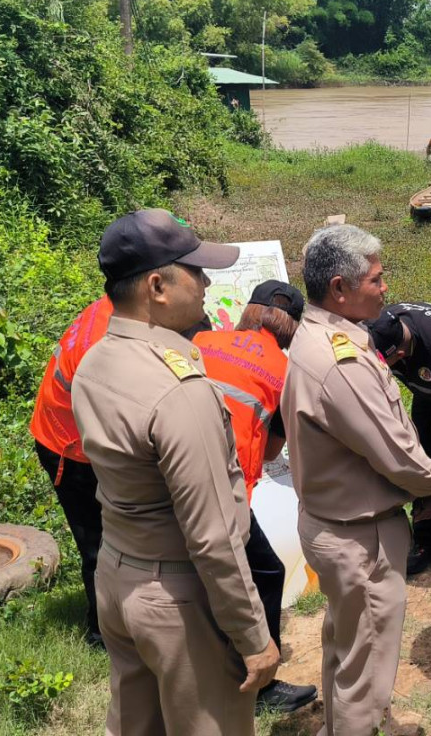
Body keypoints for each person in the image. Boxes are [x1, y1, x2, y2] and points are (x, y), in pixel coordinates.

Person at [70, 209, 279, 733]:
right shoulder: (179, 391)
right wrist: (254, 636)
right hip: (178, 598)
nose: (207, 283)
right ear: (157, 286)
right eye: (196, 271)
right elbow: (213, 537)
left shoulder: (95, 361)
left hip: (117, 577)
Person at [283, 223, 431, 736]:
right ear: (340, 288)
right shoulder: (341, 362)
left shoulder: (317, 337)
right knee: (367, 668)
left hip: (335, 522)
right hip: (360, 536)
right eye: (376, 280)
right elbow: (396, 454)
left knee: (347, 648)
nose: (385, 289)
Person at [190, 280, 318, 715]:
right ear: (291, 327)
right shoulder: (284, 371)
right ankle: (260, 686)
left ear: (249, 311)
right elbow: (270, 452)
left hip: (173, 479)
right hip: (226, 493)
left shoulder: (201, 341)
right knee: (266, 572)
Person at [28, 294, 112, 649]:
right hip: (70, 448)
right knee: (98, 544)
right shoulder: (105, 347)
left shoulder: (116, 304)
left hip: (68, 432)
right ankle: (102, 633)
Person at [366, 301, 431, 576]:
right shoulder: (382, 324)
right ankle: (428, 540)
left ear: (402, 354)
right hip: (427, 394)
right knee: (422, 454)